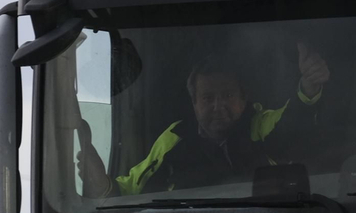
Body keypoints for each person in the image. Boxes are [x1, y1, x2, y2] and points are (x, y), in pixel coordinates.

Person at [79, 42, 331, 196]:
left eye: (227, 95)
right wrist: (101, 184)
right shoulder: (175, 138)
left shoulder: (259, 126)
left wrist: (309, 87)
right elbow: (130, 189)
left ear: (244, 98)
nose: (218, 106)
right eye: (208, 98)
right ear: (194, 103)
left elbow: (290, 121)